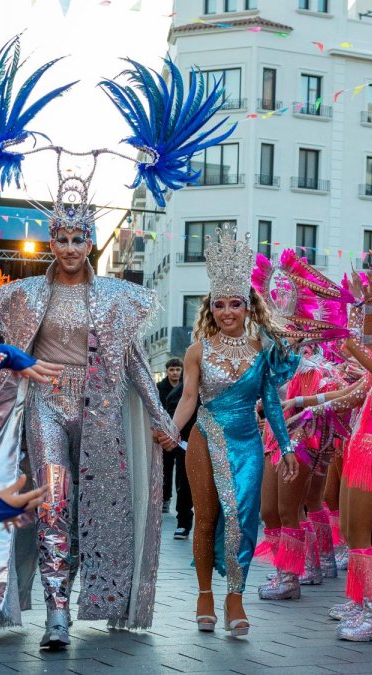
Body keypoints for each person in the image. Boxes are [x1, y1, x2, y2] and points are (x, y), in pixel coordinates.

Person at [0, 201, 177, 649]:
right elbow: (6, 357)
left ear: (90, 243)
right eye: (60, 239)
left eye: (77, 239)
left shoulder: (116, 298)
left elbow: (134, 363)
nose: (69, 248)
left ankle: (89, 599)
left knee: (89, 512)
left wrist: (161, 417)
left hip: (100, 409)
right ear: (50, 242)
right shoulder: (24, 297)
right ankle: (56, 613)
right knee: (54, 500)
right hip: (46, 402)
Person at [161, 224, 298, 638]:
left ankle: (234, 596)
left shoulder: (262, 347)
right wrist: (170, 431)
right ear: (210, 308)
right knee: (206, 518)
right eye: (218, 304)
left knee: (243, 519)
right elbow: (188, 399)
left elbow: (271, 400)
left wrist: (286, 444)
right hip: (205, 437)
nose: (226, 312)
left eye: (235, 304)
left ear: (247, 306)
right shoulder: (197, 350)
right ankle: (205, 594)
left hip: (248, 441)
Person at [164, 371, 196, 540]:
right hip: (186, 446)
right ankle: (183, 522)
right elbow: (171, 417)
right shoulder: (177, 394)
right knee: (184, 486)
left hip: (216, 444)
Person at [159, 356, 186, 515]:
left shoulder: (185, 386)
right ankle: (165, 498)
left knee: (182, 471)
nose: (175, 372)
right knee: (166, 468)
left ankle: (179, 505)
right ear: (167, 371)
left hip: (183, 434)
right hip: (166, 432)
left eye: (177, 369)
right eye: (172, 369)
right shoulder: (160, 387)